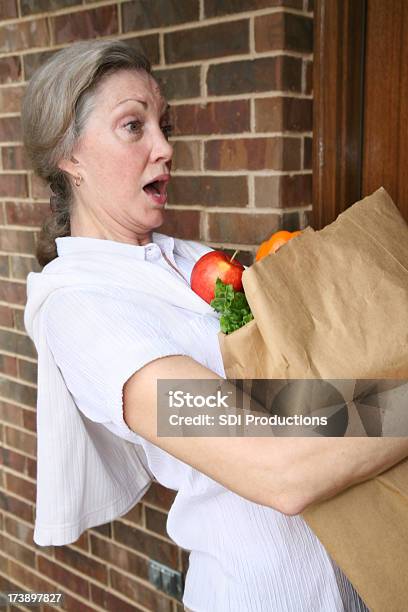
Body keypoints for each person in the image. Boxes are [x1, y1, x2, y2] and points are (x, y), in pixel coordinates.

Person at [21, 39, 408, 612]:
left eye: (164, 123)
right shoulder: (82, 311)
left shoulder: (189, 261)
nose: (165, 147)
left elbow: (295, 382)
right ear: (68, 155)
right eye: (134, 126)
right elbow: (275, 461)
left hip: (362, 571)